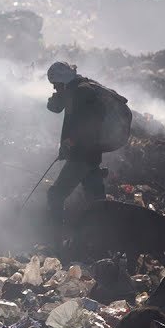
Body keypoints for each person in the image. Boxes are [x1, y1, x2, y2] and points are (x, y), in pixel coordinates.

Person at [45, 61, 110, 221]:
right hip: (90, 157)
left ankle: (56, 242)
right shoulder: (78, 89)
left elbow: (89, 124)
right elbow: (55, 108)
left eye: (55, 84)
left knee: (55, 195)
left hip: (81, 158)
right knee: (97, 202)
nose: (54, 88)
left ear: (62, 81)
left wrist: (71, 142)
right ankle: (101, 238)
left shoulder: (81, 92)